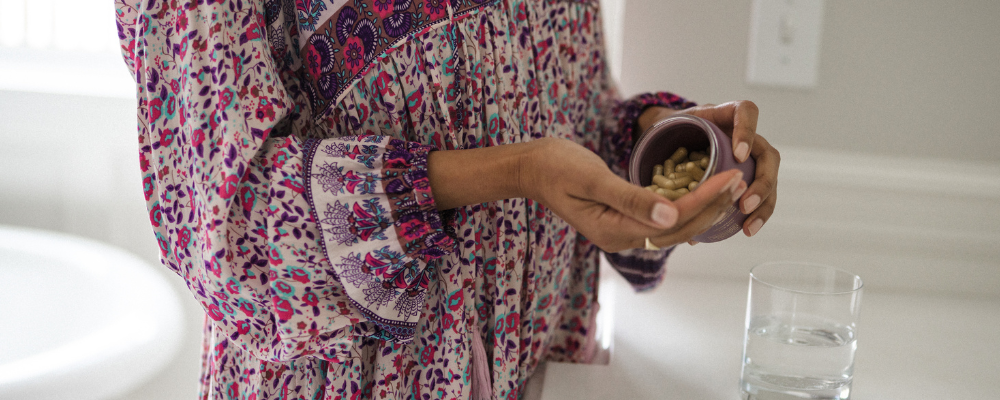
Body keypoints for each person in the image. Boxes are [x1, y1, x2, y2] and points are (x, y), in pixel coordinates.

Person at [114, 0, 780, 398]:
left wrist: (656, 149)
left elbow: (566, 104)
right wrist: (520, 171)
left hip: (533, 372)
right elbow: (233, 224)